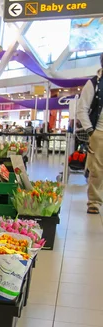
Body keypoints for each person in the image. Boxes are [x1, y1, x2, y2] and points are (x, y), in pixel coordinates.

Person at [77, 53, 103, 214]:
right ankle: (94, 202)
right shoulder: (94, 83)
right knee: (97, 169)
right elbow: (82, 109)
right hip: (99, 133)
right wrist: (91, 131)